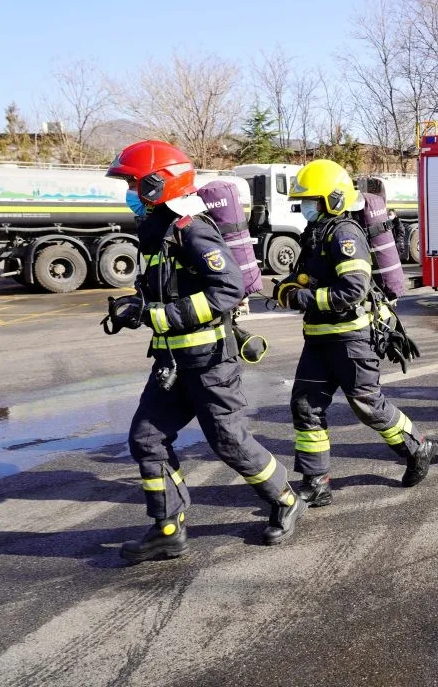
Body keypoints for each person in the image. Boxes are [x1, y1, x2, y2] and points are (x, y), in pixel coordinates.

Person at [106, 140, 303, 562]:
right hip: (173, 363)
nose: (128, 194)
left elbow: (227, 288)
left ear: (158, 185)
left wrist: (158, 317)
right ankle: (167, 528)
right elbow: (164, 293)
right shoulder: (157, 232)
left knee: (228, 441)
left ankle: (285, 499)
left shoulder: (191, 228)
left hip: (210, 362)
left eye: (133, 184)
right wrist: (136, 310)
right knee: (146, 439)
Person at [277, 159, 438, 507]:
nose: (306, 208)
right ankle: (316, 481)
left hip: (350, 339)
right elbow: (307, 277)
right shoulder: (315, 233)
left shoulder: (345, 234)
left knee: (367, 404)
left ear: (333, 199)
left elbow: (352, 290)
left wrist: (302, 296)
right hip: (318, 338)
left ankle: (417, 447)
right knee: (305, 406)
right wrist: (289, 286)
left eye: (312, 201)